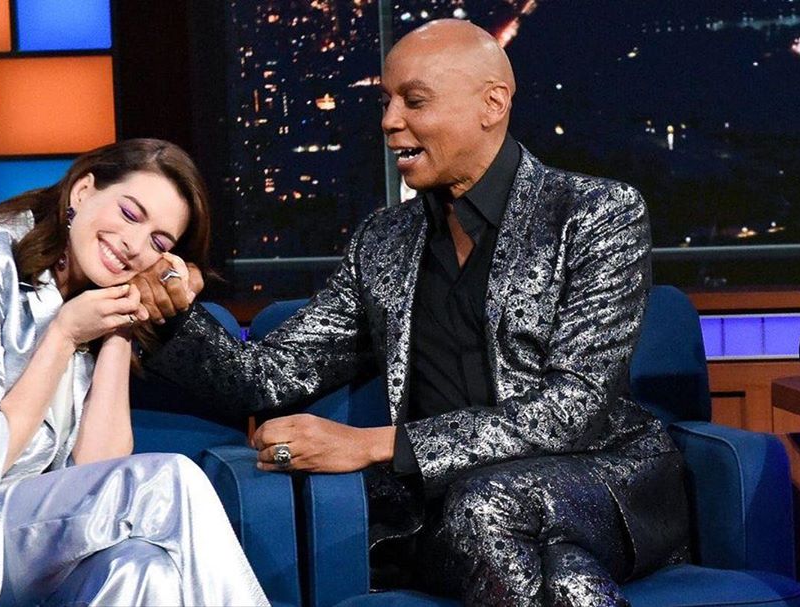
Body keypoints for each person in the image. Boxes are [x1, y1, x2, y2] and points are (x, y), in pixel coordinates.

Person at [137, 20, 689, 606]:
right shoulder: (383, 241)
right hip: (443, 510)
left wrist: (377, 444)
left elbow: (573, 407)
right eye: (386, 101)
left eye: (414, 101)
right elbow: (270, 376)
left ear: (492, 104)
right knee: (564, 576)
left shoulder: (595, 212)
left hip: (598, 478)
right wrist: (172, 313)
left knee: (489, 507)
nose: (389, 121)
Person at [0, 139, 268, 606]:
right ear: (83, 191)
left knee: (143, 568)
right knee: (171, 481)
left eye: (157, 243)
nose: (133, 245)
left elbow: (96, 470)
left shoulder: (88, 297)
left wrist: (124, 322)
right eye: (130, 214)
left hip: (29, 543)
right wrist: (63, 335)